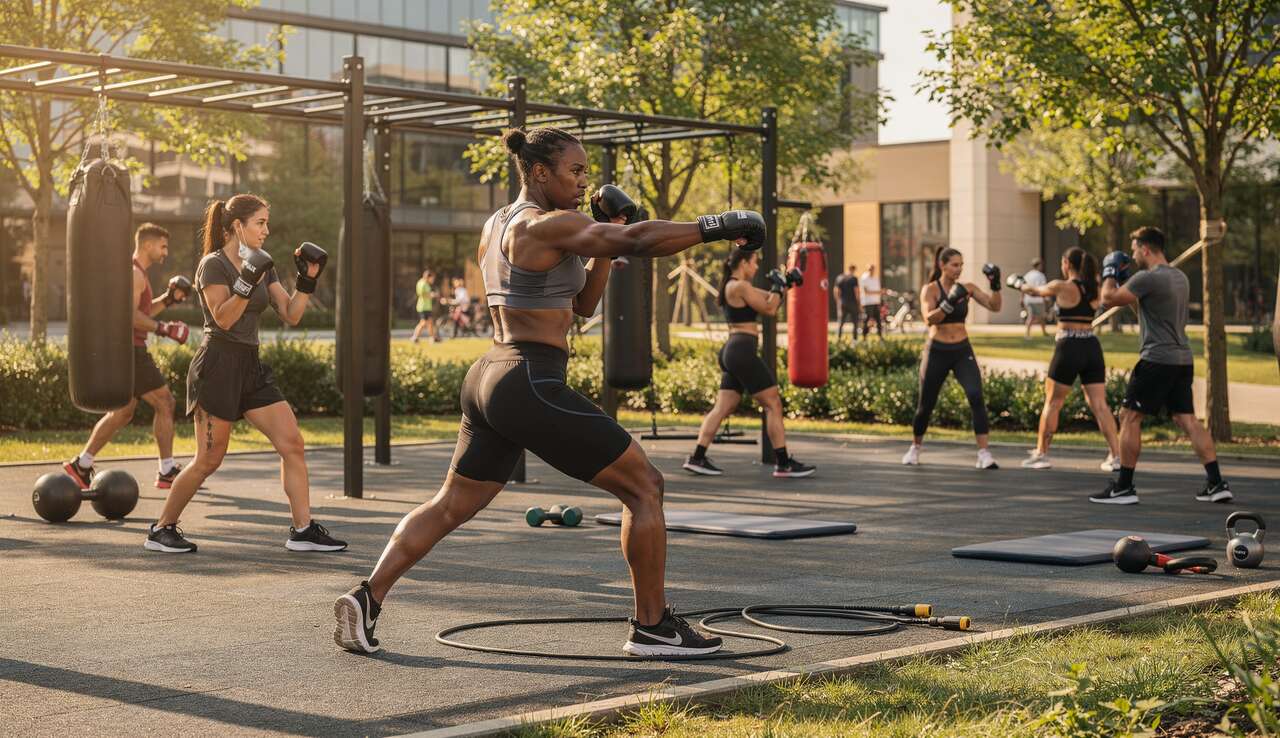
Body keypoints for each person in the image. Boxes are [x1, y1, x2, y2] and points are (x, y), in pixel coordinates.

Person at [334, 125, 767, 657]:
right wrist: (715, 225)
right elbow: (640, 242)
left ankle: (366, 597)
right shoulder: (546, 224)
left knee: (450, 505)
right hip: (529, 379)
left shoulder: (498, 223)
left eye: (586, 172)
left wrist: (606, 234)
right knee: (645, 486)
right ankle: (653, 627)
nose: (584, 181)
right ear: (540, 172)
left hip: (490, 375)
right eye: (575, 171)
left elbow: (582, 303)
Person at [145, 194, 346, 553]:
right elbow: (223, 318)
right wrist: (246, 279)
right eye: (260, 223)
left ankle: (302, 531)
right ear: (237, 226)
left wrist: (307, 280)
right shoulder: (213, 265)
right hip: (217, 365)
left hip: (251, 366)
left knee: (292, 444)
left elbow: (291, 314)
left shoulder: (263, 264)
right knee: (209, 459)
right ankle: (161, 529)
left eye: (267, 222)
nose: (266, 230)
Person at [1093, 227, 1232, 505]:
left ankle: (1124, 487)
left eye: (1135, 249)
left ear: (1145, 249)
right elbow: (1144, 309)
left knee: (1129, 417)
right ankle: (1216, 483)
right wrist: (1127, 284)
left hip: (1157, 359)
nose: (1133, 255)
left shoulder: (1148, 278)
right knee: (1187, 420)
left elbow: (1107, 299)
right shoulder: (1179, 278)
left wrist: (1109, 273)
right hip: (1182, 360)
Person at [63, 224, 192, 491]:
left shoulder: (137, 273)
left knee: (122, 412)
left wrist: (167, 300)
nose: (165, 252)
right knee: (165, 402)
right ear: (147, 245)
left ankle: (82, 465)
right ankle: (167, 470)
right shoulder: (134, 274)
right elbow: (130, 317)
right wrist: (165, 329)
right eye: (163, 246)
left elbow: (141, 311)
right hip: (131, 350)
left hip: (126, 350)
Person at [682, 249, 816, 479]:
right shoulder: (740, 286)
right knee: (773, 403)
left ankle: (697, 457)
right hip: (741, 351)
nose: (756, 267)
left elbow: (769, 298)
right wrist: (778, 287)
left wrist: (785, 284)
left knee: (723, 407)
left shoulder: (735, 287)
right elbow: (770, 308)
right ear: (743, 263)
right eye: (754, 262)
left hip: (734, 351)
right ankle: (783, 463)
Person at [1011, 247, 1120, 471]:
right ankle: (1116, 456)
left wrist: (1017, 283)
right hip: (1091, 346)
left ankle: (1041, 454)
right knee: (1100, 405)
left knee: (1053, 402)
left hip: (1068, 346)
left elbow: (1034, 291)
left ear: (1066, 264)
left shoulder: (1061, 286)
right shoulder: (1094, 287)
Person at [902, 247, 1005, 469]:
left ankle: (984, 453)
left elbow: (994, 306)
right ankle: (915, 448)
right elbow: (929, 319)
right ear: (942, 265)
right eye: (954, 265)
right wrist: (949, 302)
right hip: (937, 351)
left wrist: (995, 285)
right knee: (926, 403)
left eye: (961, 265)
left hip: (961, 350)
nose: (959, 269)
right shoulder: (930, 289)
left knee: (976, 395)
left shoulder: (968, 288)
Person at [1021, 258, 1049, 337]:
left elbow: (1023, 288)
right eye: (1041, 265)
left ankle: (1028, 333)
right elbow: (1044, 288)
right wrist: (1045, 298)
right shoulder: (1041, 275)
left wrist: (1022, 298)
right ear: (1038, 265)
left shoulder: (1027, 275)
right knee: (1041, 317)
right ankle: (1043, 332)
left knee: (1030, 317)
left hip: (1028, 300)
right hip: (1038, 300)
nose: (1042, 266)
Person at [410, 269, 439, 343]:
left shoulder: (426, 284)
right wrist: (431, 295)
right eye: (432, 278)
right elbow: (421, 294)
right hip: (422, 307)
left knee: (430, 322)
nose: (433, 280)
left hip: (427, 306)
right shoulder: (421, 283)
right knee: (423, 323)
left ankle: (432, 338)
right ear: (428, 277)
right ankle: (415, 337)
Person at [834, 263, 861, 343]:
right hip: (853, 303)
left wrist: (838, 301)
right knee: (855, 322)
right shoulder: (854, 278)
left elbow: (836, 291)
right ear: (853, 270)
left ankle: (838, 339)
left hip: (843, 303)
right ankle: (855, 340)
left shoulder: (840, 277)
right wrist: (859, 303)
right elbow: (856, 292)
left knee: (840, 322)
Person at [859, 264, 883, 339]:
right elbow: (866, 291)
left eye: (872, 269)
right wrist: (878, 292)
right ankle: (864, 336)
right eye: (870, 269)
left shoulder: (876, 278)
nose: (871, 270)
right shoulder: (864, 278)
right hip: (868, 302)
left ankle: (880, 336)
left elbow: (878, 290)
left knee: (878, 320)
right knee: (867, 320)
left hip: (876, 302)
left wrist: (879, 296)